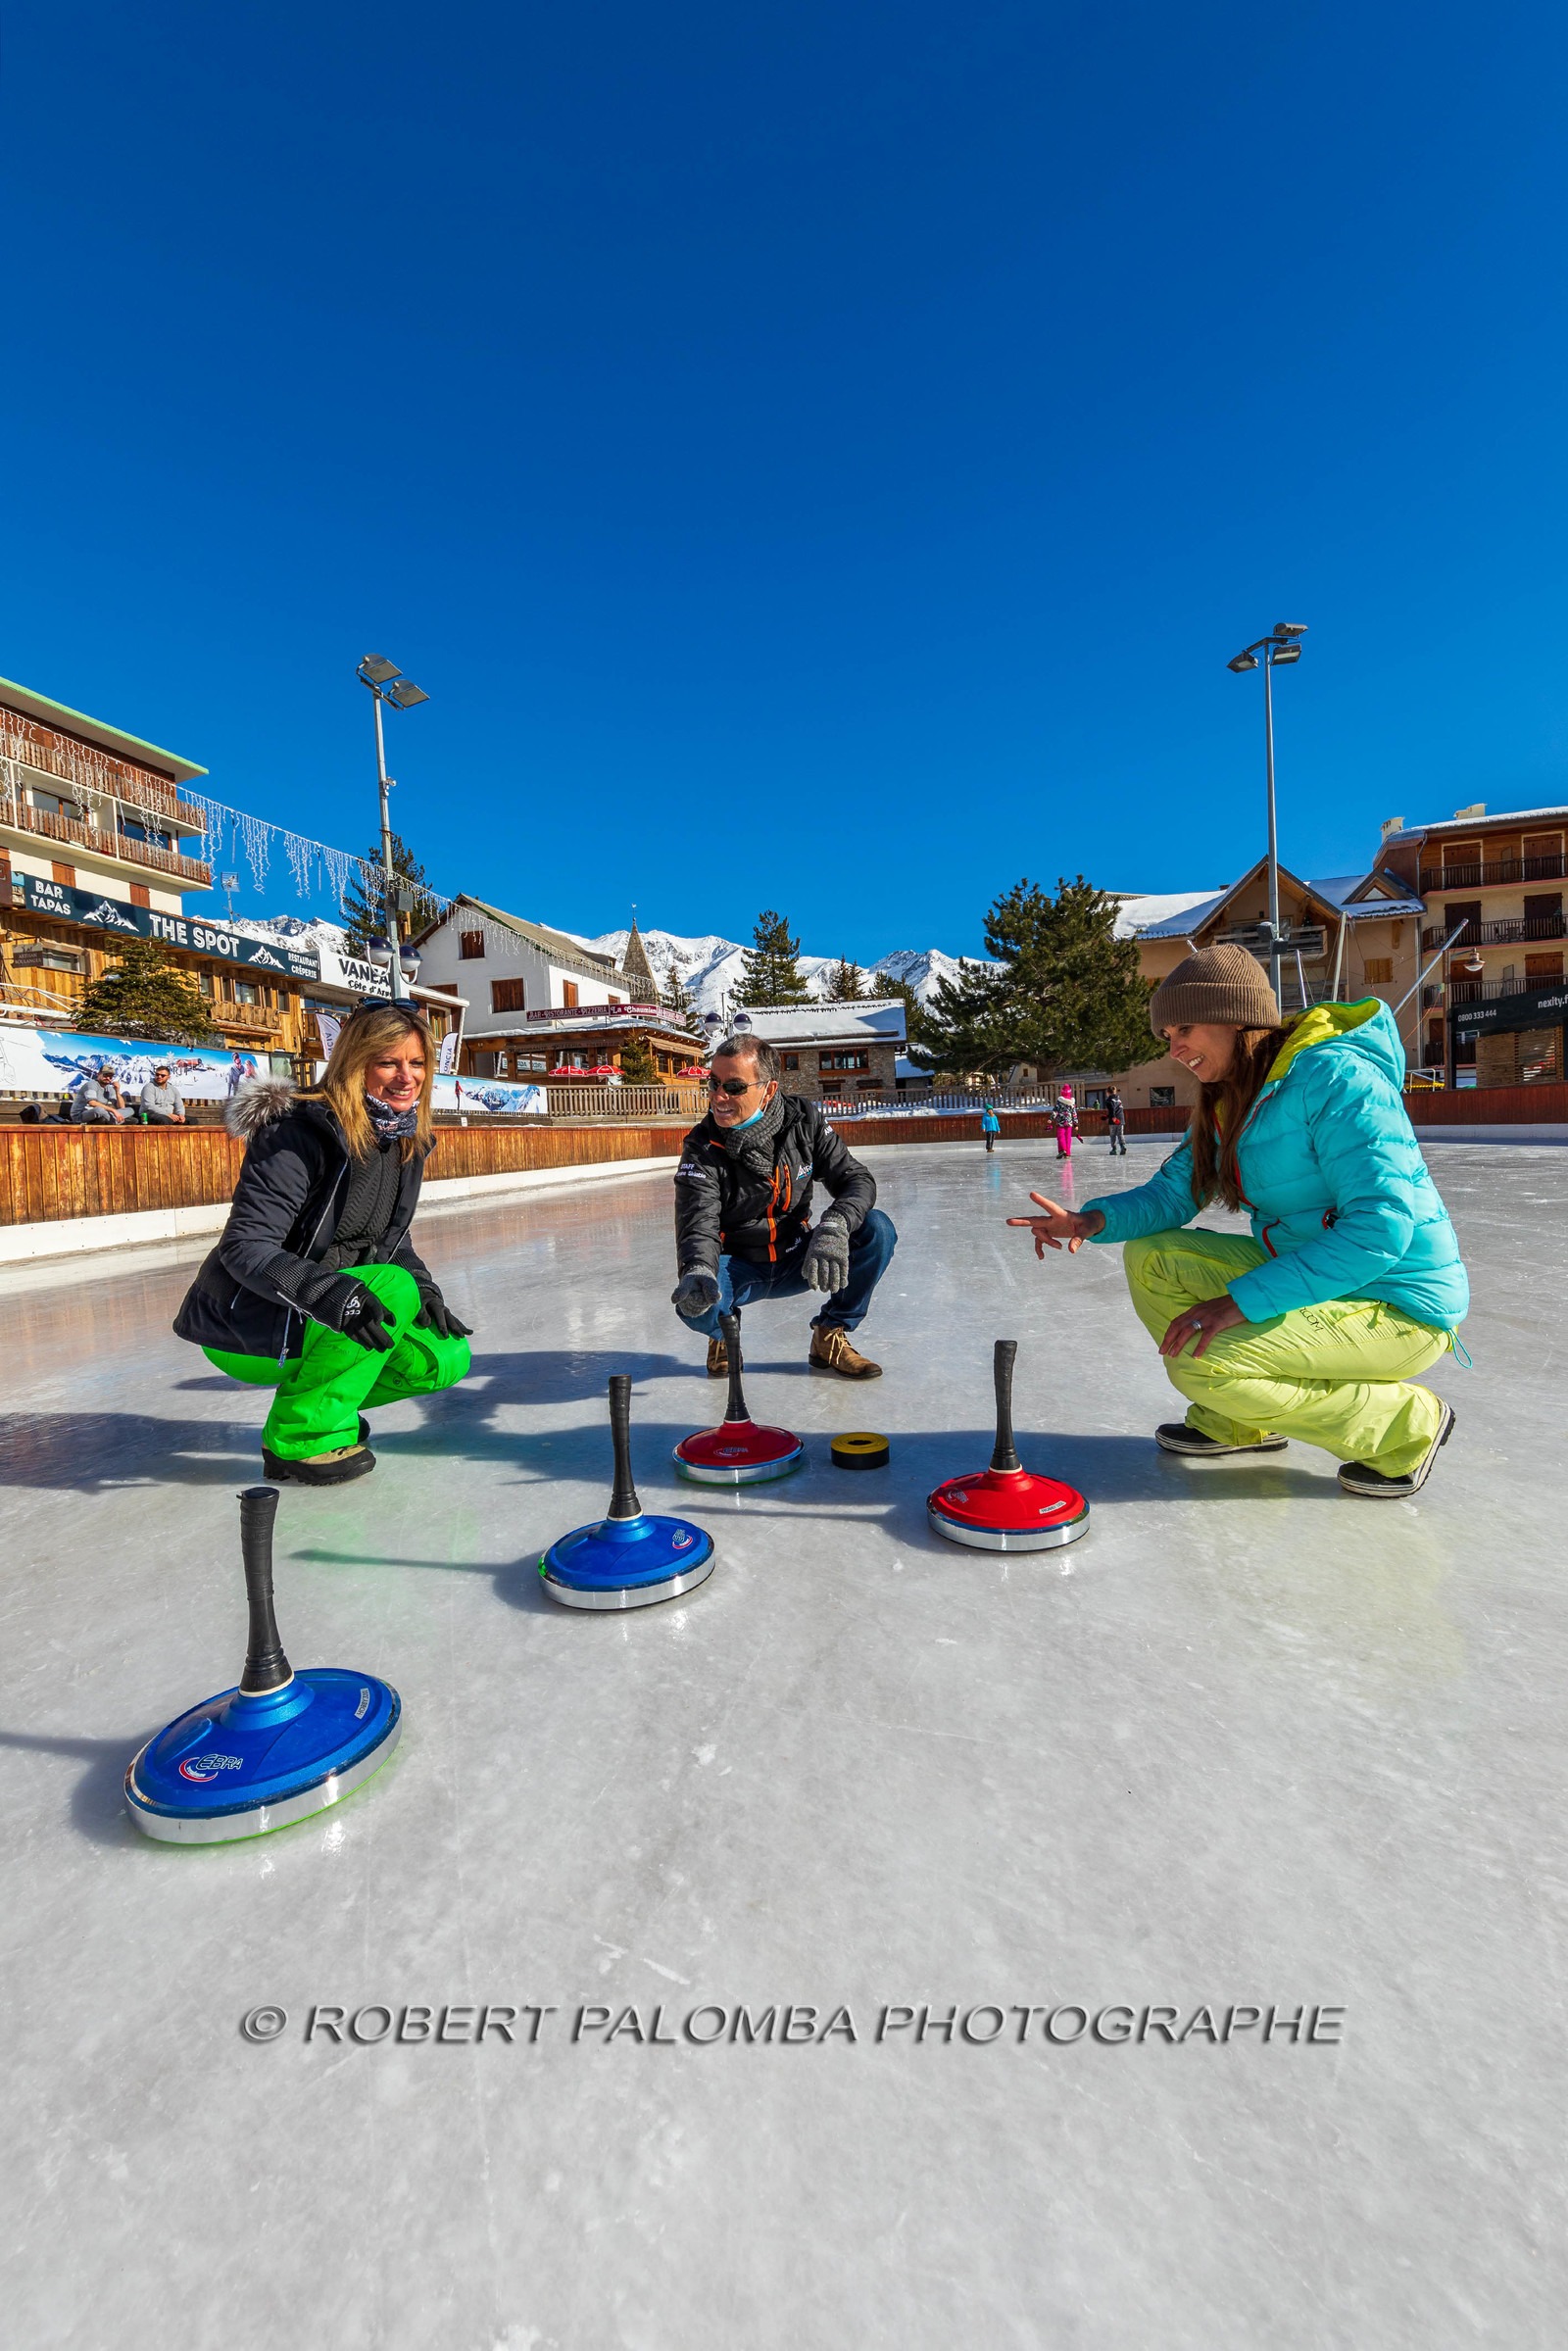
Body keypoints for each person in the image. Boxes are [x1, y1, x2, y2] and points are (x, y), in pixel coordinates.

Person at [1007, 946, 1467, 1500]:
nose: (1175, 1049)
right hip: (1320, 1282)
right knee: (1152, 1254)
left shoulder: (1337, 1078)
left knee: (1204, 1366)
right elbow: (1174, 1194)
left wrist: (1241, 1302)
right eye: (1167, 1036)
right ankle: (1239, 1422)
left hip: (1400, 1305)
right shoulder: (1234, 1098)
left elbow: (1380, 1228)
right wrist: (1090, 1220)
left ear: (1235, 1016)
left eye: (1185, 1028)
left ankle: (1406, 1426)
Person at [173, 1003, 472, 1485]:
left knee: (444, 1358)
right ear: (355, 1063)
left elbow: (392, 1239)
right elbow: (245, 1246)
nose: (406, 1077)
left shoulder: (400, 1138)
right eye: (388, 1062)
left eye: (417, 1063)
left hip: (330, 1312)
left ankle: (321, 1402)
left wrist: (427, 1291)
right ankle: (300, 1439)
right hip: (253, 1321)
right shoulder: (298, 1133)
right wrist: (329, 1294)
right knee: (392, 1287)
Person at [671, 1032, 898, 1379]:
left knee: (877, 1228)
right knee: (697, 1299)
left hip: (799, 1257)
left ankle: (830, 1334)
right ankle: (722, 1333)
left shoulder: (803, 1121)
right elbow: (697, 1222)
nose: (718, 1096)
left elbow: (856, 1179)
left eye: (733, 1087)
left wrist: (834, 1226)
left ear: (768, 1090)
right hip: (738, 1268)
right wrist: (699, 1269)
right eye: (713, 1083)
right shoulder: (702, 1147)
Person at [1053, 1084, 1077, 1159]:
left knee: (1060, 1136)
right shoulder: (1072, 1102)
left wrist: (1051, 1118)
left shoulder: (1060, 1101)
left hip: (1061, 1122)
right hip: (1069, 1123)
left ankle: (1062, 1150)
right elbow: (1074, 1113)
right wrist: (1076, 1124)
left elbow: (1056, 1111)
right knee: (1068, 1138)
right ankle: (1068, 1153)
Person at [1105, 1088, 1127, 1156]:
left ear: (1108, 1092)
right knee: (1120, 1134)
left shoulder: (1109, 1100)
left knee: (1113, 1135)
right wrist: (1107, 1116)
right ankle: (1122, 1146)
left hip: (1113, 1120)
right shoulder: (1119, 1100)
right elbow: (1117, 1109)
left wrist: (1113, 1117)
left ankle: (1114, 1149)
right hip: (1121, 1119)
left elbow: (1112, 1109)